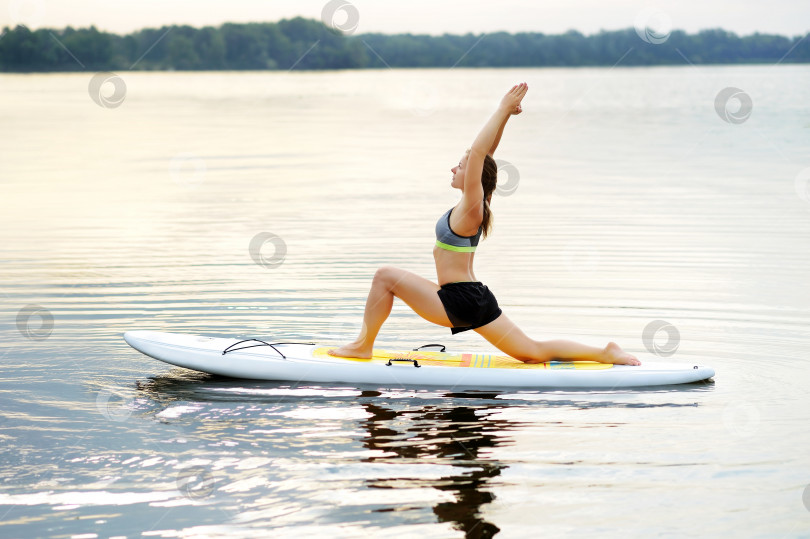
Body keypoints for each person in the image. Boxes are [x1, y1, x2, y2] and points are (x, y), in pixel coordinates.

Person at [329, 82, 640, 366]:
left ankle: (362, 345)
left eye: (460, 166)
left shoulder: (471, 209)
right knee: (532, 352)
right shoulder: (477, 204)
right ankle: (605, 352)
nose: (453, 168)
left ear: (474, 176)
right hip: (473, 297)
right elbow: (487, 153)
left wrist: (501, 108)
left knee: (385, 276)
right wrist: (506, 119)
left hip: (456, 300)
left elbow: (479, 153)